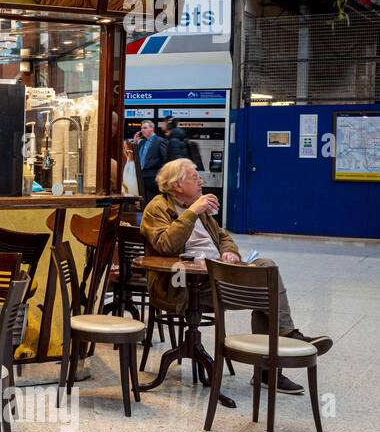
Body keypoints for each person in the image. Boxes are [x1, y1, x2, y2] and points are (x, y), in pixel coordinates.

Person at [141, 158, 332, 394]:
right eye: (194, 177)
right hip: (183, 286)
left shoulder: (198, 207)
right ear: (177, 185)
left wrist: (229, 253)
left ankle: (273, 359)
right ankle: (277, 356)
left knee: (266, 269)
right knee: (265, 292)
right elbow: (166, 245)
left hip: (216, 277)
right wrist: (192, 212)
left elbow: (223, 237)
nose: (201, 181)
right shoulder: (158, 208)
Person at [134, 119, 165, 203]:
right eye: (141, 128)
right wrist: (135, 142)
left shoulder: (160, 141)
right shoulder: (141, 143)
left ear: (152, 128)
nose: (142, 130)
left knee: (153, 203)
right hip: (142, 178)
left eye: (145, 128)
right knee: (143, 203)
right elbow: (136, 158)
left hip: (154, 179)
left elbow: (165, 160)